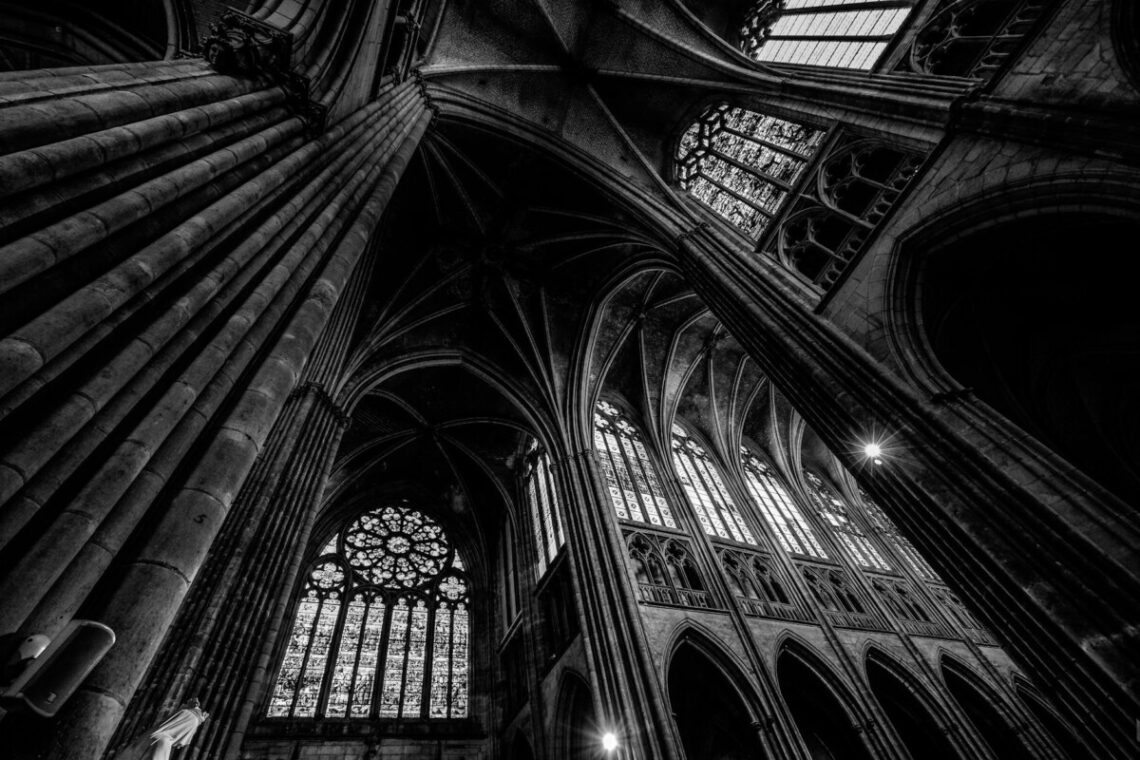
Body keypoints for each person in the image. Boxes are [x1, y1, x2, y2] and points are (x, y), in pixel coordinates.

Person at [112, 699, 209, 760]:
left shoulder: (154, 734)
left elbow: (179, 715)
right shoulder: (164, 742)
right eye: (192, 730)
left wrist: (194, 712)